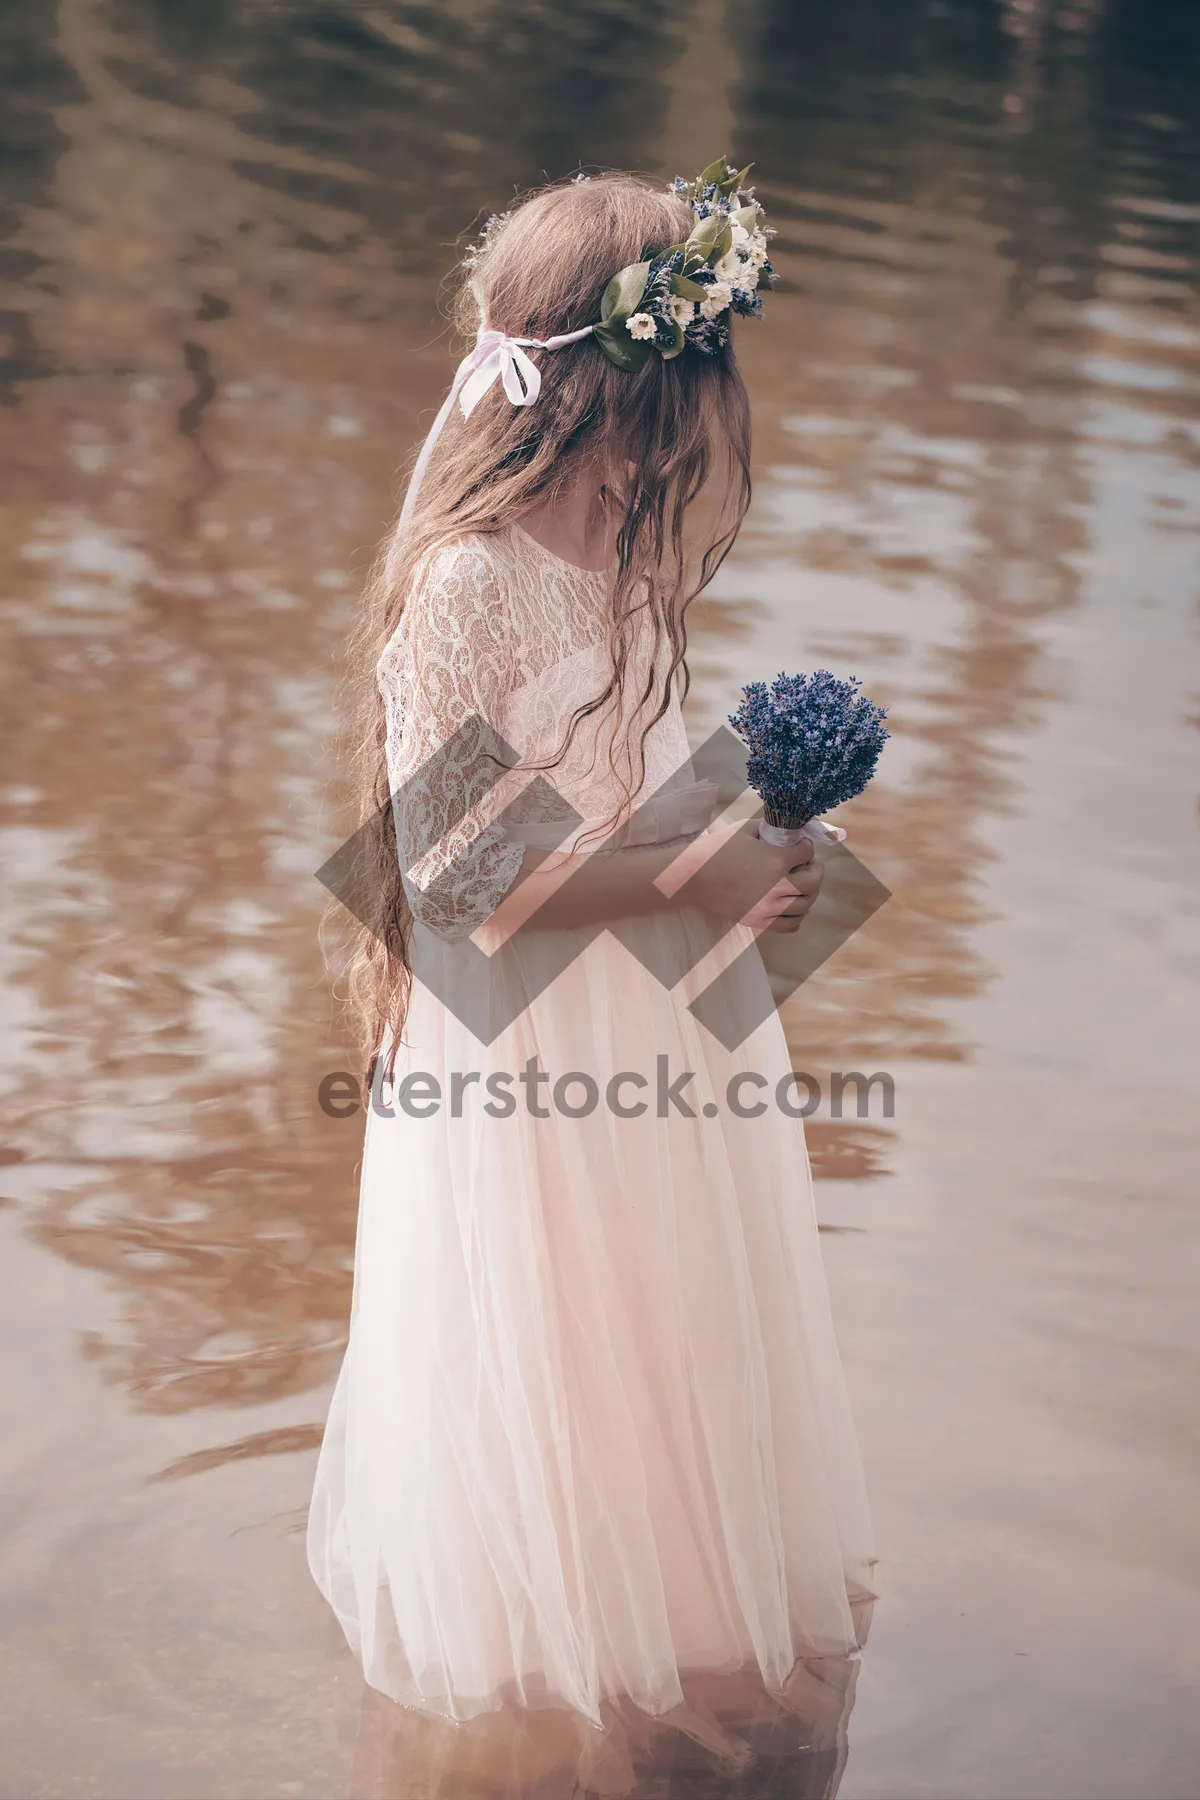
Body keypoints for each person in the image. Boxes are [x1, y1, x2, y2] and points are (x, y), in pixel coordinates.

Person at [309, 164, 874, 1793]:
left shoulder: (621, 548)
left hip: (653, 1018)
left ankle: (678, 1679)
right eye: (679, 397)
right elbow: (461, 884)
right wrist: (688, 874)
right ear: (602, 384)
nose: (695, 437)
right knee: (558, 1346)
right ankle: (562, 1721)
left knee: (674, 1329)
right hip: (520, 1060)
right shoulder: (469, 583)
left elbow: (614, 808)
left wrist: (756, 846)